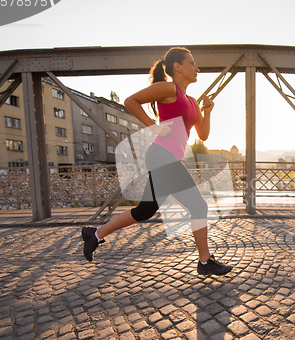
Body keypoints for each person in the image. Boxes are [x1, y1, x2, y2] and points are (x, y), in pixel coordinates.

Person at [81, 47, 232, 276]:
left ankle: (95, 234)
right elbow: (131, 101)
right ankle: (204, 262)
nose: (197, 68)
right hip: (162, 156)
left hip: (167, 158)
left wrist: (207, 111)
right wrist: (153, 124)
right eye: (192, 63)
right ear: (177, 67)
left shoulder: (191, 100)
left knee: (144, 211)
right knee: (198, 206)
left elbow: (203, 135)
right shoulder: (168, 89)